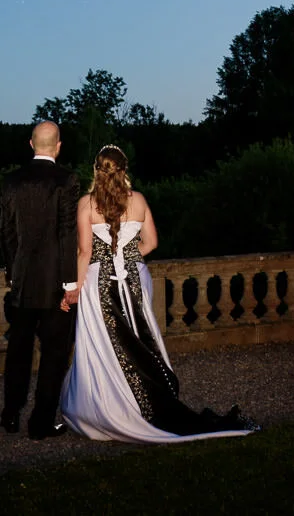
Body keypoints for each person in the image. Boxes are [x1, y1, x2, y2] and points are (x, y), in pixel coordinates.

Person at [60, 144, 261, 443]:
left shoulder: (86, 205)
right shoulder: (139, 200)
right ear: (124, 170)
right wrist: (127, 258)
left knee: (102, 344)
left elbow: (85, 252)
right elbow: (152, 243)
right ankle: (144, 398)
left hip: (98, 282)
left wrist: (72, 289)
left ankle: (107, 406)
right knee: (139, 336)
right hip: (135, 279)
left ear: (96, 171)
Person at [0, 121, 80, 440]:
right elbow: (67, 234)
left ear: (31, 144)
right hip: (54, 286)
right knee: (54, 354)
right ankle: (40, 422)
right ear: (58, 147)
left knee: (18, 351)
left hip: (21, 284)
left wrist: (12, 273)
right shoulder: (66, 180)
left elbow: (6, 233)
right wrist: (70, 284)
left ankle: (10, 414)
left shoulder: (11, 181)